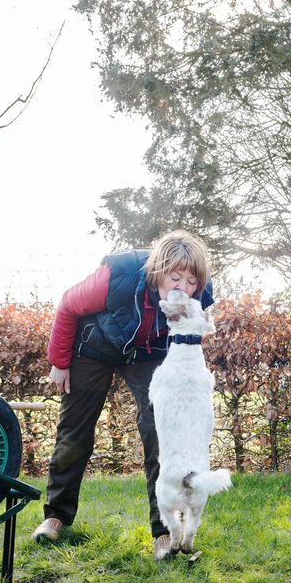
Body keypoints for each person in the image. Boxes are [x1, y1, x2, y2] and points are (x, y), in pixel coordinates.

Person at [32, 229, 214, 561]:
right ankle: (55, 516)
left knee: (160, 434)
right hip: (93, 350)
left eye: (191, 282)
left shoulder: (201, 293)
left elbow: (191, 339)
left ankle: (163, 533)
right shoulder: (118, 276)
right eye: (175, 277)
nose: (183, 288)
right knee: (74, 434)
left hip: (148, 356)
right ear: (158, 272)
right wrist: (59, 362)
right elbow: (69, 305)